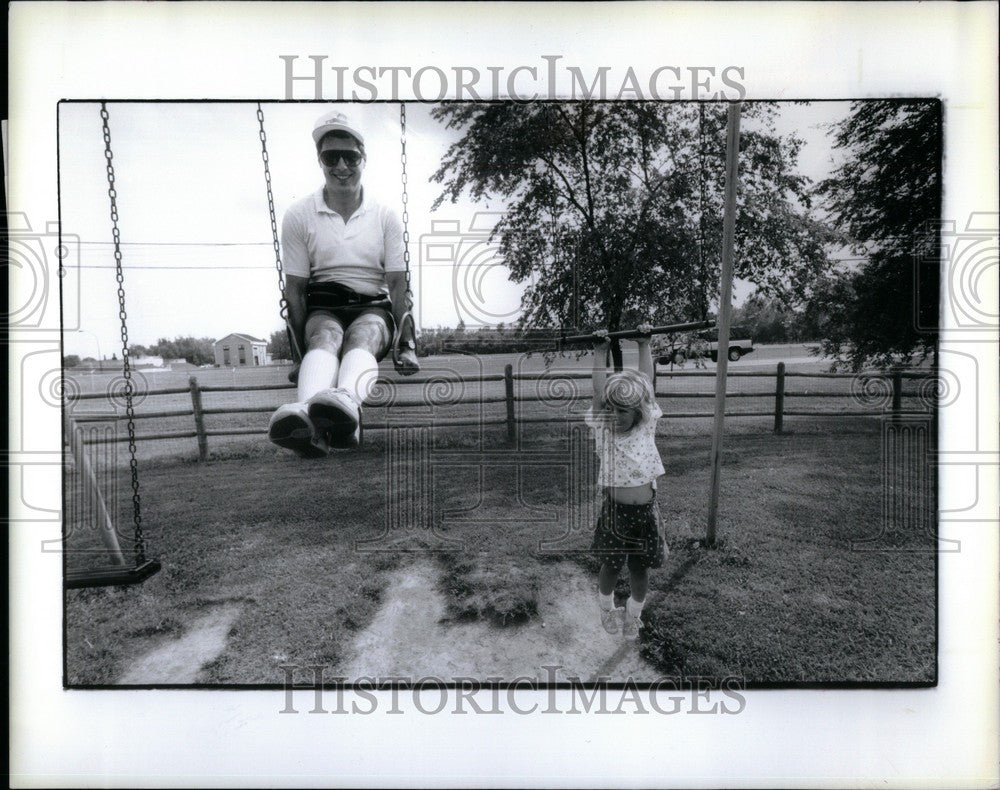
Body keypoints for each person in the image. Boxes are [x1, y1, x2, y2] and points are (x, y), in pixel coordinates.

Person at [268, 109, 419, 458]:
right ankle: (306, 415)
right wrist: (299, 352)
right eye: (330, 157)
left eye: (349, 156)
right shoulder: (299, 215)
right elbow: (294, 290)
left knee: (361, 337)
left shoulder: (384, 216)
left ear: (363, 158)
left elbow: (397, 284)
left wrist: (406, 342)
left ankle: (346, 407)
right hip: (324, 303)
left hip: (373, 307)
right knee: (326, 337)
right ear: (319, 161)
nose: (341, 166)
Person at [584, 326, 667, 639]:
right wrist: (600, 352)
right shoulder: (603, 433)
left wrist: (644, 345)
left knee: (639, 568)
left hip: (646, 512)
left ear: (638, 413)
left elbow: (646, 385)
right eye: (612, 409)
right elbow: (597, 394)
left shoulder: (646, 429)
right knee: (610, 565)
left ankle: (633, 614)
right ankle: (606, 608)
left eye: (624, 411)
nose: (616, 416)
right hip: (616, 513)